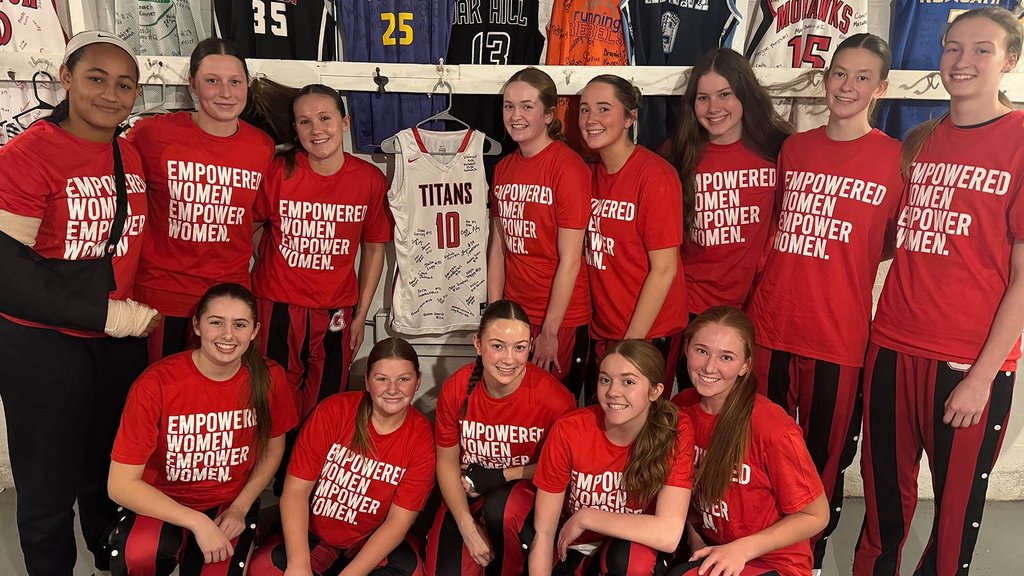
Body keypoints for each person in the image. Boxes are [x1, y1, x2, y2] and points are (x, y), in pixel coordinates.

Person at [855, 8, 1024, 575]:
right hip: (891, 345)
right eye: (953, 47)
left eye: (982, 49)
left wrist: (982, 376)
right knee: (882, 505)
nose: (962, 61)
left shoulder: (1021, 140)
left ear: (1010, 60)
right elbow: (890, 238)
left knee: (953, 518)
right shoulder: (920, 140)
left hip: (965, 359)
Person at [0, 30, 159, 576]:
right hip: (43, 344)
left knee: (111, 473)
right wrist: (108, 314)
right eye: (96, 78)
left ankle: (110, 562)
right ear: (66, 78)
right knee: (47, 485)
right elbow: (7, 272)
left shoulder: (127, 152)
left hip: (115, 343)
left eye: (125, 85)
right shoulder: (27, 154)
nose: (111, 94)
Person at [743, 33, 902, 572]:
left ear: (880, 88)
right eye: (839, 73)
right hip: (770, 327)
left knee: (822, 461)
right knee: (758, 448)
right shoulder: (795, 149)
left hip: (837, 336)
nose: (847, 86)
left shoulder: (894, 159)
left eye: (862, 77)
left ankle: (806, 559)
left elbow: (887, 241)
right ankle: (757, 550)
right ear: (825, 78)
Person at [107, 283, 298, 575]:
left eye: (240, 324)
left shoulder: (270, 377)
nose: (228, 335)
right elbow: (120, 485)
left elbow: (273, 448)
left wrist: (240, 507)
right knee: (139, 553)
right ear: (197, 325)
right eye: (216, 322)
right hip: (163, 498)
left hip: (228, 502)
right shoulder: (155, 384)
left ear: (255, 331)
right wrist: (196, 522)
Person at [128, 37, 276, 362]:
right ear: (192, 84)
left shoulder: (262, 147)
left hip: (228, 299)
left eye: (235, 82)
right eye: (212, 81)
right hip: (161, 295)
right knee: (160, 389)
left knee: (215, 392)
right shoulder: (151, 134)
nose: (226, 93)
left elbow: (254, 217)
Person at [252, 83, 391, 421]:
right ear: (295, 128)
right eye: (305, 121)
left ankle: (313, 458)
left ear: (344, 122)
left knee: (325, 406)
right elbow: (248, 227)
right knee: (273, 403)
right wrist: (274, 257)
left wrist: (361, 314)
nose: (316, 129)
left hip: (335, 310)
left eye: (325, 118)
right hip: (277, 305)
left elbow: (374, 247)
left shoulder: (369, 180)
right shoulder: (277, 171)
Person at [248, 337, 435, 576]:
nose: (392, 389)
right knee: (264, 568)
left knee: (412, 572)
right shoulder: (333, 412)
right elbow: (296, 491)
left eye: (404, 379)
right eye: (382, 379)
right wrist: (298, 564)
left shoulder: (421, 438)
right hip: (316, 534)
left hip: (369, 540)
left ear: (418, 381)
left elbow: (399, 521)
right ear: (367, 381)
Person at [666, 47, 792, 391]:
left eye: (725, 94)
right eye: (703, 98)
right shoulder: (677, 154)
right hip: (693, 307)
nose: (714, 108)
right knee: (697, 405)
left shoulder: (780, 149)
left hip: (756, 307)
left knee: (746, 410)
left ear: (744, 95)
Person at [671, 306, 828, 576]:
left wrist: (742, 549)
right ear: (686, 349)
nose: (709, 366)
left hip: (772, 561)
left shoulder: (771, 427)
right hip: (714, 548)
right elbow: (681, 488)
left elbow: (817, 515)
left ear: (745, 365)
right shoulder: (680, 408)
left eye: (726, 357)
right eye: (701, 351)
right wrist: (693, 534)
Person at [424, 299, 576, 576]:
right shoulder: (457, 388)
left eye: (519, 347)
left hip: (522, 494)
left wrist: (502, 475)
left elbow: (563, 470)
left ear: (530, 346)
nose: (508, 359)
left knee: (502, 509)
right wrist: (467, 526)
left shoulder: (555, 400)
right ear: (477, 344)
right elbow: (446, 462)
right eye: (497, 346)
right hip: (467, 491)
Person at [529, 339, 694, 576]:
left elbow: (668, 534)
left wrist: (586, 517)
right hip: (576, 549)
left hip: (632, 552)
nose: (613, 392)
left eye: (628, 382)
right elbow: (544, 533)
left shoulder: (674, 429)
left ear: (655, 391)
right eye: (605, 380)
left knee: (629, 559)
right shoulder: (570, 429)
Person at [487, 67, 592, 395]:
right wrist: (495, 315)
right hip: (515, 313)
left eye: (527, 106)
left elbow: (571, 260)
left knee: (551, 405)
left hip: (559, 318)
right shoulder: (503, 168)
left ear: (549, 114)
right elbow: (498, 248)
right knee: (514, 404)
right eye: (508, 106)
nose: (515, 116)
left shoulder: (568, 168)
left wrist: (550, 331)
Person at [580, 74, 687, 398]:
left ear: (630, 117)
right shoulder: (588, 173)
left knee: (644, 421)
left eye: (604, 109)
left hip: (648, 331)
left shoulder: (655, 176)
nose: (591, 119)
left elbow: (664, 269)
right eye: (585, 109)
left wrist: (631, 344)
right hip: (604, 328)